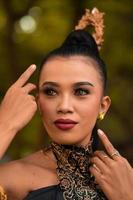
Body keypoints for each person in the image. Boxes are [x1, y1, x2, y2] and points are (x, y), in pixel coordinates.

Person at [0, 8, 133, 200]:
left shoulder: (125, 179)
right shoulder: (13, 178)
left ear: (103, 106)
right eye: (51, 92)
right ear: (39, 102)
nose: (64, 106)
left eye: (81, 92)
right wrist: (5, 125)